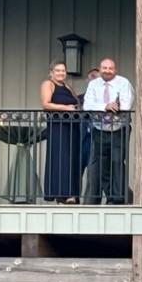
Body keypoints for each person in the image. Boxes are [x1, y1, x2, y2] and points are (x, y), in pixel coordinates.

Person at [82, 57, 133, 204]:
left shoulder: (123, 82)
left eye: (110, 68)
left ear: (115, 70)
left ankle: (118, 198)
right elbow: (87, 105)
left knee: (117, 162)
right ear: (100, 69)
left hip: (118, 128)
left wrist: (114, 106)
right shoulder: (93, 84)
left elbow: (126, 105)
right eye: (104, 68)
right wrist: (105, 106)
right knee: (101, 164)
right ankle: (109, 196)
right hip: (99, 128)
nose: (107, 71)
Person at [40, 60, 85, 203]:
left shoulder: (67, 86)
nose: (61, 73)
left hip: (72, 126)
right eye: (58, 70)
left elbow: (76, 103)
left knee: (72, 159)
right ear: (51, 72)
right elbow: (46, 104)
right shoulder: (48, 84)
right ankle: (60, 193)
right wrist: (66, 108)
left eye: (63, 71)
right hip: (58, 126)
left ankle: (72, 194)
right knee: (61, 157)